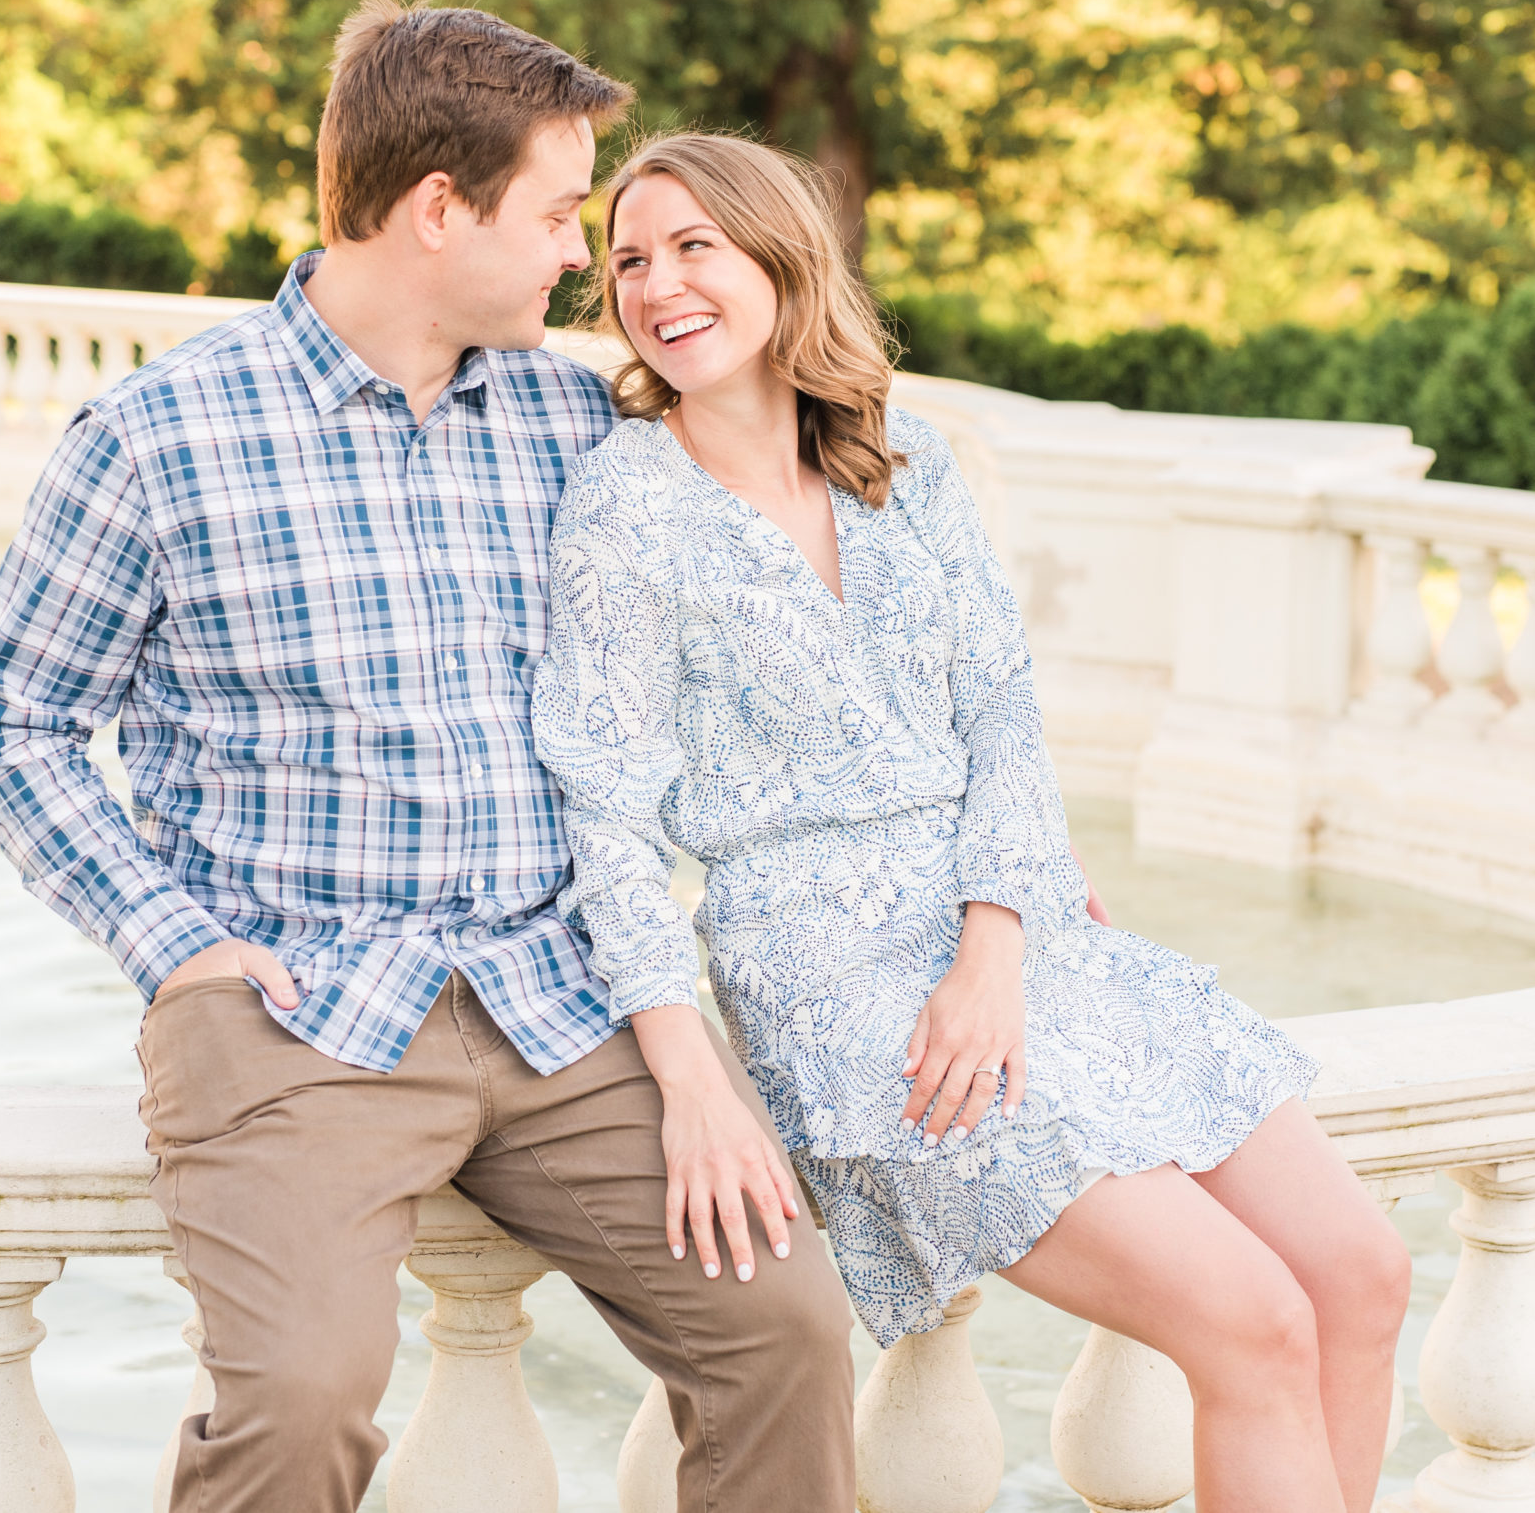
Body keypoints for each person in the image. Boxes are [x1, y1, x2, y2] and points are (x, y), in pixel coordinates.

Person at [0, 0, 857, 1513]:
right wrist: (177, 943)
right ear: (441, 209)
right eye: (563, 212)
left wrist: (982, 876)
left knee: (787, 1331)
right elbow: (8, 719)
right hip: (296, 1009)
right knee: (297, 1404)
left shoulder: (576, 421)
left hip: (562, 1000)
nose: (584, 255)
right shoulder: (159, 435)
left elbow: (759, 661)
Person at [531, 131, 1415, 1513]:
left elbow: (1002, 704)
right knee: (1253, 1320)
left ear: (778, 255)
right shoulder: (623, 508)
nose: (656, 284)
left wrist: (1000, 931)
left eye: (694, 244)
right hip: (837, 979)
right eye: (628, 259)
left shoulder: (904, 456)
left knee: (1362, 1274)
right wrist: (688, 1067)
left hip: (1009, 930)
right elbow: (606, 819)